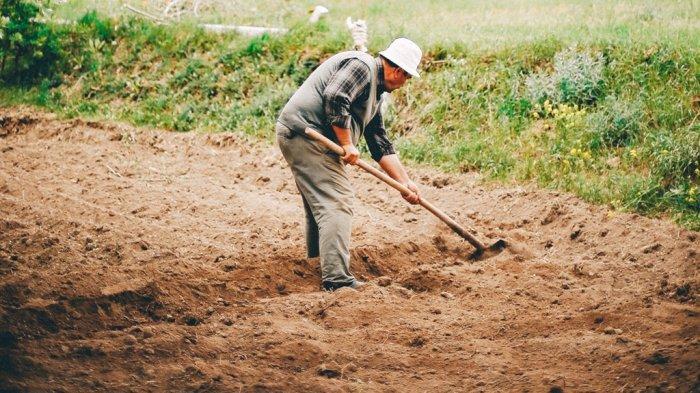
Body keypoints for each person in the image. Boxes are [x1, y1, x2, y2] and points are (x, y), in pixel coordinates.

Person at [276, 38, 422, 291]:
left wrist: (404, 183)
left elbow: (379, 141)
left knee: (320, 205)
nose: (405, 83)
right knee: (337, 202)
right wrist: (347, 142)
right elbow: (335, 96)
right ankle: (337, 280)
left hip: (308, 136)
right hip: (307, 134)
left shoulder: (375, 92)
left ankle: (318, 263)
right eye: (408, 77)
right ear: (399, 71)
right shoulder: (362, 67)